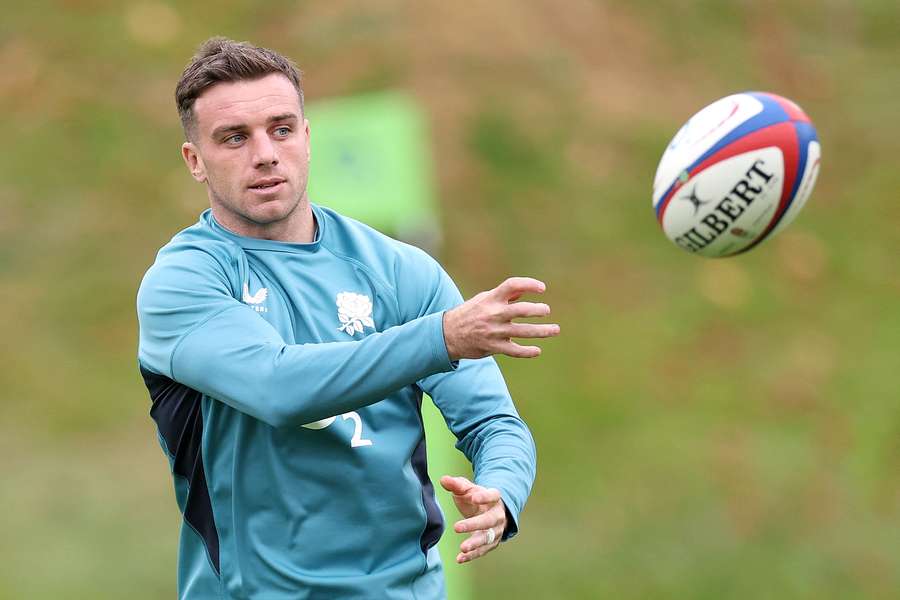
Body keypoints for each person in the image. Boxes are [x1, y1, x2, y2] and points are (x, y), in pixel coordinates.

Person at [136, 37, 559, 600]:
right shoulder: (185, 281)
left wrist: (502, 494)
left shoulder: (400, 271)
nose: (264, 153)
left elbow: (494, 424)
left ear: (307, 138)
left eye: (281, 129)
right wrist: (443, 336)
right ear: (196, 161)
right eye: (235, 138)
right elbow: (279, 386)